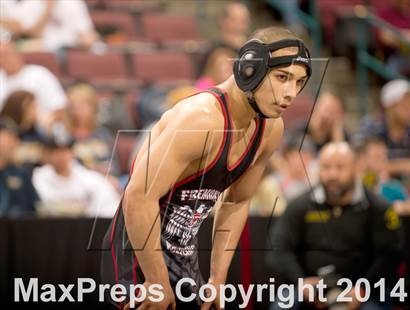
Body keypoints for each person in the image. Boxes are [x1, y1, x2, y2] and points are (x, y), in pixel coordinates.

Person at [101, 26, 312, 309]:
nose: (290, 94)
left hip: (183, 253)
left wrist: (217, 278)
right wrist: (155, 281)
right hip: (138, 252)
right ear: (249, 69)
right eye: (282, 77)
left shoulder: (270, 128)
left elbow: (238, 200)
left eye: (298, 82)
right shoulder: (200, 120)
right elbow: (138, 197)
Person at [267, 142, 401, 310]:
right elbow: (278, 249)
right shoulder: (299, 206)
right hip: (308, 286)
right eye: (326, 167)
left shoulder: (378, 208)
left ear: (355, 168)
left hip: (365, 288)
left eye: (340, 167)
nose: (332, 174)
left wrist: (363, 288)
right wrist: (300, 281)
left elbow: (390, 255)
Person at [32, 123, 120, 218]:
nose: (61, 156)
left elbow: (110, 208)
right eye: (55, 151)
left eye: (65, 150)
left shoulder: (89, 178)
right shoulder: (39, 177)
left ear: (72, 152)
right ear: (47, 154)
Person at [0, 40, 67, 128]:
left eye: (6, 54)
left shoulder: (39, 74)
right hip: (5, 129)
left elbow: (60, 107)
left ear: (17, 54)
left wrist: (45, 121)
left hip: (38, 129)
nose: (4, 59)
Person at [0, 0, 98, 52]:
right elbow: (31, 34)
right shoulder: (31, 3)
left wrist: (83, 42)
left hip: (71, 48)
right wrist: (48, 9)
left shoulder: (73, 2)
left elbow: (88, 35)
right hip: (44, 50)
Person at [0, 118, 38, 216]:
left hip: (15, 228)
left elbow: (34, 207)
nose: (15, 143)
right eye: (10, 137)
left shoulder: (20, 173)